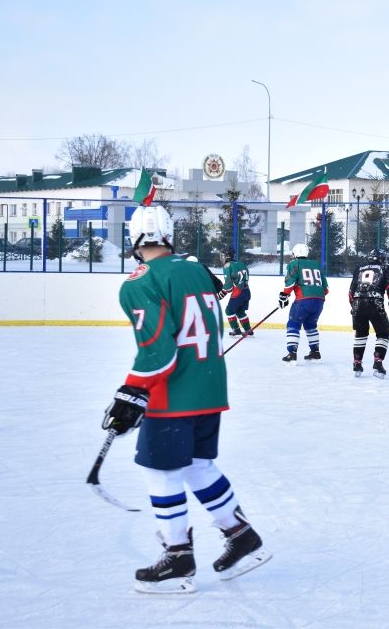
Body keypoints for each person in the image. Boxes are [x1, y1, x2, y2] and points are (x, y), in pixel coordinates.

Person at [103, 204, 269, 593]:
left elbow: (159, 352)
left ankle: (178, 556)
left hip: (173, 394)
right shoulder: (197, 270)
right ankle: (241, 534)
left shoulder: (139, 282)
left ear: (134, 240)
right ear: (168, 235)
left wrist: (132, 391)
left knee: (161, 471)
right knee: (197, 465)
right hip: (210, 386)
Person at [348, 248, 389, 378]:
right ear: (382, 258)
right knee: (383, 333)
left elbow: (351, 290)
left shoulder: (359, 268)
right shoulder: (386, 267)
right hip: (375, 303)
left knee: (360, 333)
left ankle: (357, 363)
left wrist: (353, 306)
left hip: (358, 303)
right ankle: (378, 363)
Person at [278, 243, 329, 364]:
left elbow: (290, 282)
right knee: (311, 325)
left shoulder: (294, 264)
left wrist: (284, 295)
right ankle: (315, 353)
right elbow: (326, 289)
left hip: (304, 300)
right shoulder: (316, 264)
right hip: (319, 300)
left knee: (293, 324)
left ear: (295, 254)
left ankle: (292, 354)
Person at [220, 247, 253, 337]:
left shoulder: (227, 265)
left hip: (238, 292)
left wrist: (221, 294)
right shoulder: (241, 263)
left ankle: (236, 330)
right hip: (247, 291)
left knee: (229, 311)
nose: (221, 257)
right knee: (240, 312)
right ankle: (248, 330)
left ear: (227, 256)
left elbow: (228, 285)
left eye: (223, 255)